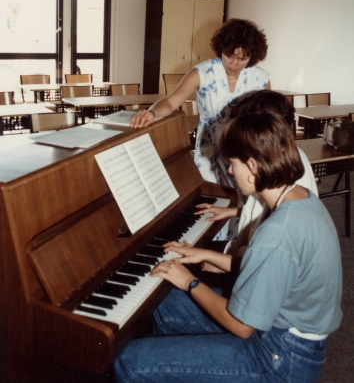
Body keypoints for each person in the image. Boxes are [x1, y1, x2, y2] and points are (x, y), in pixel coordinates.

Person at [113, 113, 342, 383]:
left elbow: (242, 327)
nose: (231, 171)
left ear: (253, 166)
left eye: (233, 163)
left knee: (130, 361)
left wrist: (190, 282)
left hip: (279, 358)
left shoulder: (277, 232)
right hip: (284, 332)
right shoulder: (302, 198)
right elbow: (270, 272)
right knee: (162, 304)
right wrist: (206, 254)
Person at [130, 18, 270, 187]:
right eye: (228, 56)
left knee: (243, 201)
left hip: (246, 150)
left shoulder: (260, 78)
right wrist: (151, 113)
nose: (233, 64)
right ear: (221, 49)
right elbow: (170, 103)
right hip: (209, 149)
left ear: (252, 56)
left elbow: (269, 120)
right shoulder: (203, 72)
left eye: (241, 59)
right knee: (209, 198)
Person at [196, 90, 318, 245]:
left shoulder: (278, 170)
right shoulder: (282, 157)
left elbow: (267, 246)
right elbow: (266, 211)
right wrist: (232, 211)